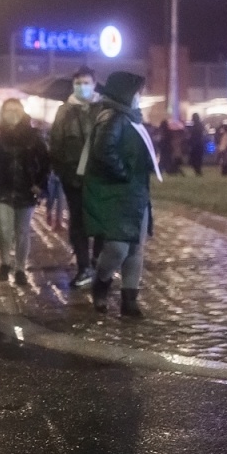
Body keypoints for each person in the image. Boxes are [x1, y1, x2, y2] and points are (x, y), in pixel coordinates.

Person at [81, 71, 161, 318]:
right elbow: (104, 151)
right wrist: (124, 173)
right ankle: (101, 282)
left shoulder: (131, 118)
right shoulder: (112, 117)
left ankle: (130, 300)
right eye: (137, 92)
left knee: (135, 248)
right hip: (118, 193)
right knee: (117, 247)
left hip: (136, 193)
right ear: (126, 93)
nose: (139, 97)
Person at [0, 98, 49, 288]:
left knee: (23, 231)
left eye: (16, 109)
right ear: (2, 112)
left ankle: (20, 269)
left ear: (23, 111)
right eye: (8, 110)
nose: (13, 113)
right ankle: (4, 262)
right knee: (4, 230)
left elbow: (46, 164)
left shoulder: (34, 138)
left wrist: (40, 185)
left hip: (27, 190)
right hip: (3, 189)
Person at [49, 67, 100, 287]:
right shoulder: (64, 112)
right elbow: (56, 143)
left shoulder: (103, 109)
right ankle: (84, 266)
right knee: (77, 223)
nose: (82, 87)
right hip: (73, 177)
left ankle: (98, 263)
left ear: (94, 84)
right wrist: (63, 171)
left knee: (100, 223)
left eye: (86, 82)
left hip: (99, 177)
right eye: (78, 83)